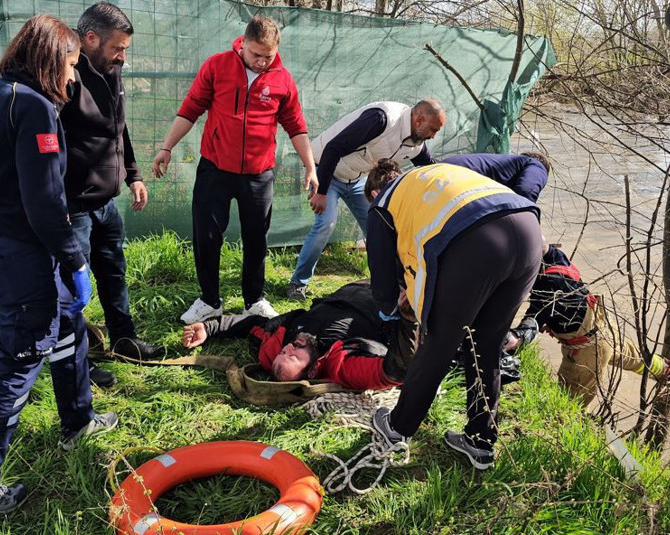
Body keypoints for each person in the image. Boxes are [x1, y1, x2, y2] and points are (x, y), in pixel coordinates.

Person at [0, 15, 117, 517]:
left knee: (68, 325)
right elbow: (44, 202)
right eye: (69, 66)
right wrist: (74, 259)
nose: (72, 78)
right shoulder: (36, 108)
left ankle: (78, 420)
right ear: (48, 58)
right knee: (20, 362)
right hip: (24, 251)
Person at [365, 159, 541, 470]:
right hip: (528, 231)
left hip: (478, 242)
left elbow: (381, 284)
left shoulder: (382, 205)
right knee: (487, 345)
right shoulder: (438, 171)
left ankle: (397, 427)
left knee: (440, 341)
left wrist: (394, 307)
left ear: (375, 191)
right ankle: (480, 442)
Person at [151, 16, 318, 325]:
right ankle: (209, 301)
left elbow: (296, 126)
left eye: (268, 56)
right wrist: (166, 147)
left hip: (259, 174)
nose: (262, 61)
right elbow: (190, 108)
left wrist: (310, 166)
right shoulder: (217, 66)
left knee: (257, 238)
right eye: (256, 54)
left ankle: (254, 301)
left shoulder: (282, 79)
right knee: (207, 235)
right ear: (243, 44)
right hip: (215, 168)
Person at [60, 2, 165, 388]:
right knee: (75, 290)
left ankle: (123, 339)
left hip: (106, 202)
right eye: (117, 48)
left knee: (113, 273)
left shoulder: (112, 71)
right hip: (75, 206)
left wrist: (133, 174)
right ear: (91, 39)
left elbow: (118, 128)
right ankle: (77, 362)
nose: (123, 56)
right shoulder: (65, 76)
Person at [287, 99, 447, 301]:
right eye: (433, 129)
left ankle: (391, 284)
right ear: (419, 120)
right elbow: (333, 147)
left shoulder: (416, 143)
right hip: (326, 170)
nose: (433, 136)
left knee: (381, 227)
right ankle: (298, 283)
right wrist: (322, 192)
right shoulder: (382, 119)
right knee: (326, 224)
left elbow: (431, 169)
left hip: (356, 179)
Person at [504, 244, 670, 406]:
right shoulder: (555, 256)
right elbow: (542, 244)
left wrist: (516, 337)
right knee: (634, 358)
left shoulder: (546, 288)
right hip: (604, 327)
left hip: (586, 352)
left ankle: (576, 429)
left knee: (570, 402)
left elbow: (531, 323)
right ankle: (667, 371)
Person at [181, 281, 418, 390]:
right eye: (294, 357)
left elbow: (253, 324)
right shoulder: (342, 367)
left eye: (286, 351)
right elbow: (397, 371)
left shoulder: (277, 346)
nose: (290, 348)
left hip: (358, 285)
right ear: (313, 371)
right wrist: (409, 318)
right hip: (396, 296)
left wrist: (209, 328)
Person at [441, 151, 550, 203]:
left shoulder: (506, 163)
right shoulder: (537, 165)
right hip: (456, 178)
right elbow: (526, 191)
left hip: (440, 172)